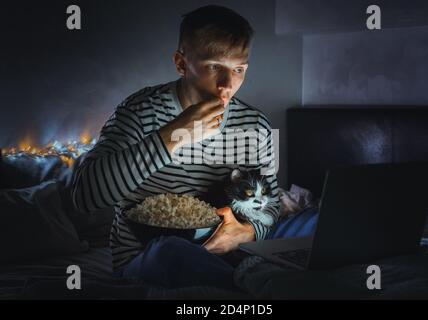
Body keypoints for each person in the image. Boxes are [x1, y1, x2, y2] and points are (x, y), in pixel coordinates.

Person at [71, 5, 281, 290]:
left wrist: (246, 233)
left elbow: (273, 205)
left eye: (239, 69)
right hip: (149, 258)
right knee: (169, 252)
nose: (227, 85)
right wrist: (172, 135)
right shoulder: (140, 111)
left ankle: (259, 283)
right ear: (181, 63)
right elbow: (85, 197)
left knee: (309, 227)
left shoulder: (255, 124)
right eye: (214, 67)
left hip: (232, 256)